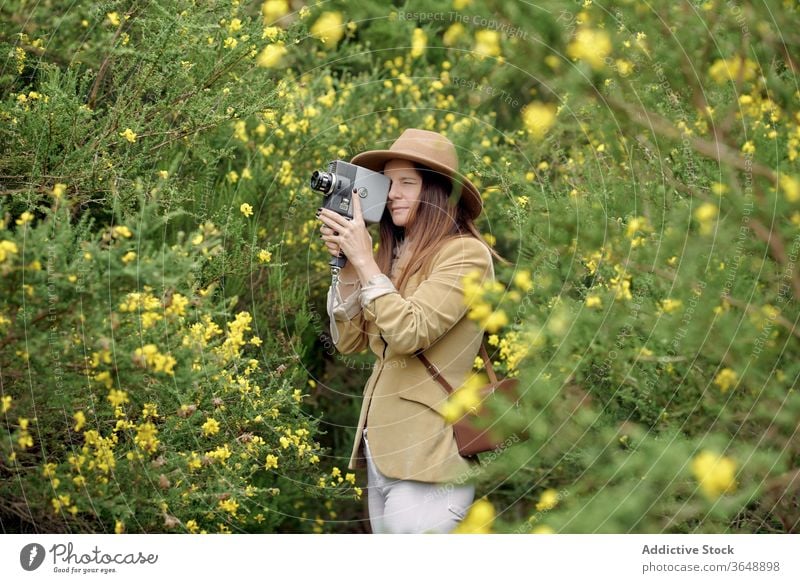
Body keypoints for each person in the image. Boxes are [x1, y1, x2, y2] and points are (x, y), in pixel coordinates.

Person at [317, 128, 504, 534]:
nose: (394, 193)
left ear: (436, 192)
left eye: (407, 183)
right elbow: (348, 341)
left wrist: (365, 262)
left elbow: (409, 332)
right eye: (388, 183)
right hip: (382, 451)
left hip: (429, 459)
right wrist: (350, 265)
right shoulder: (394, 257)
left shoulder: (466, 255)